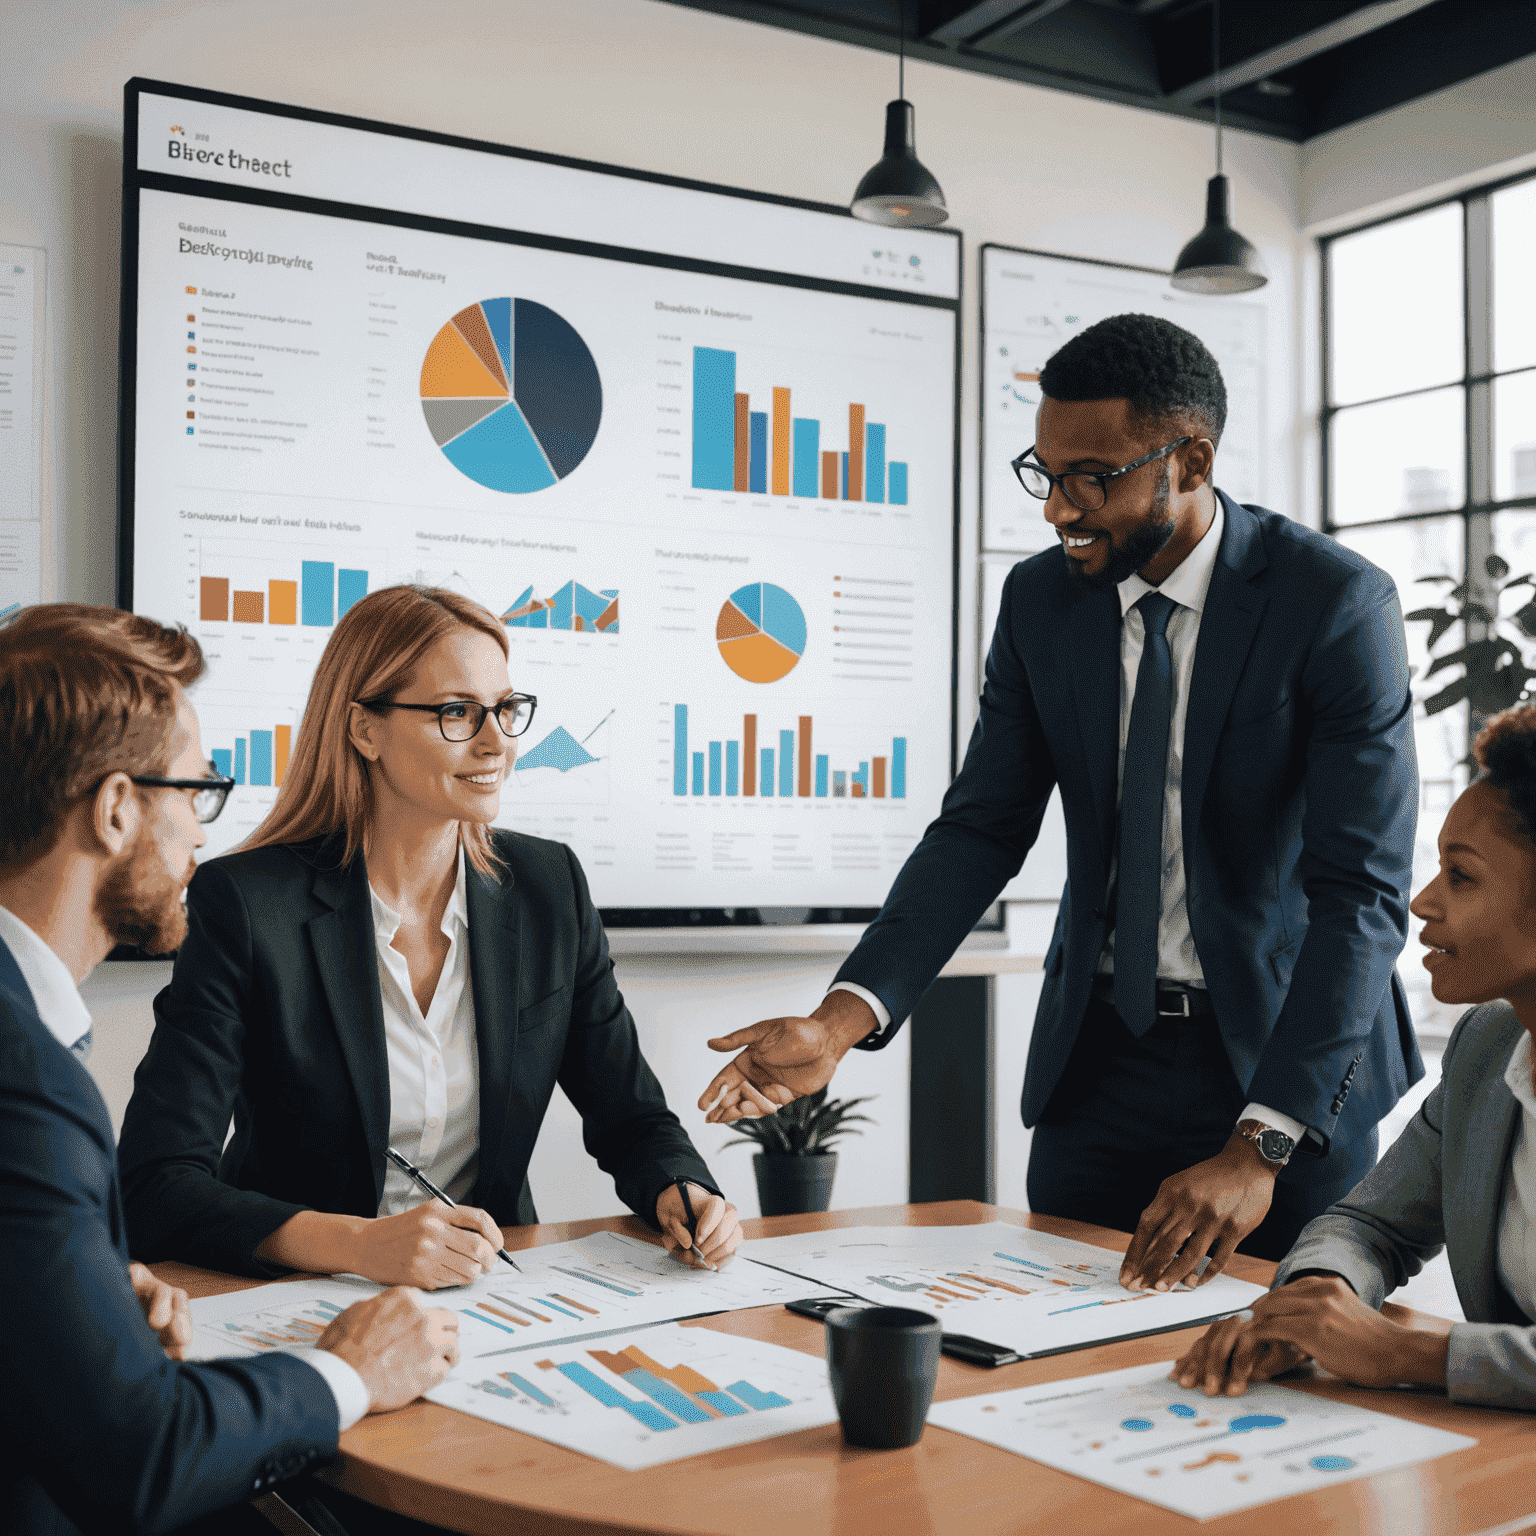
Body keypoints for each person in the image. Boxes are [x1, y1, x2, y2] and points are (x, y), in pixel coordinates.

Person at [700, 312, 1422, 1286]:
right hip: (1101, 1067)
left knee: (1286, 1367)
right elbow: (980, 831)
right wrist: (839, 1023)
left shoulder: (1334, 605)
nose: (1058, 508)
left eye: (1094, 475)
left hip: (1281, 1068)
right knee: (1059, 1350)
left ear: (1190, 460)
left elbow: (1361, 893)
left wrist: (1261, 1146)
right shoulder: (1043, 603)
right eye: (1045, 472)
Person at [119, 584, 740, 1287]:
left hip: (491, 1293)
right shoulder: (246, 904)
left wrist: (681, 1187)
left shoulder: (547, 887)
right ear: (365, 730)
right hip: (300, 1295)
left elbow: (633, 1119)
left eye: (506, 710)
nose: (496, 742)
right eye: (456, 712)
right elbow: (157, 1183)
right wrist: (358, 1246)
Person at [0, 603, 459, 1536]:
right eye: (196, 791)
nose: (205, 834)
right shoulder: (24, 1083)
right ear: (117, 808)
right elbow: (141, 1461)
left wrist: (76, 1311)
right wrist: (351, 1371)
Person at [1173, 706, 1536, 1409]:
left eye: (1461, 877)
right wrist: (1312, 1308)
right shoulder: (1487, 1049)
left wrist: (1414, 1354)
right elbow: (1371, 1225)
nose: (1422, 901)